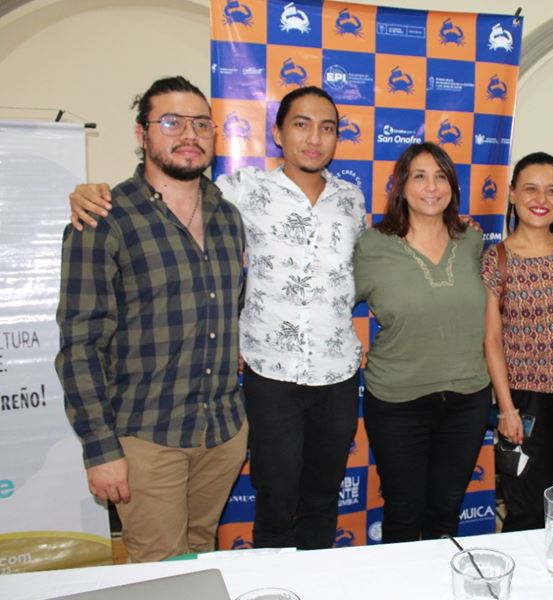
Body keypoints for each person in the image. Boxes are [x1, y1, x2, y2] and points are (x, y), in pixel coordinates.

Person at [68, 86, 367, 550]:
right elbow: (81, 339)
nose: (314, 138)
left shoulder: (349, 200)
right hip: (259, 381)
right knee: (268, 506)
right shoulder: (239, 192)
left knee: (314, 502)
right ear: (277, 134)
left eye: (327, 127)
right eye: (301, 124)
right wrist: (87, 191)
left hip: (324, 378)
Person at [56, 76, 248, 562]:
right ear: (142, 136)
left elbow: (231, 309)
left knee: (198, 555)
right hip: (147, 436)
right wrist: (101, 450)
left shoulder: (229, 217)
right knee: (157, 570)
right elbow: (79, 345)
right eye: (171, 122)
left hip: (221, 432)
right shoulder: (103, 217)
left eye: (201, 123)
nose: (189, 133)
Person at [353, 142, 491, 543]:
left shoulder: (471, 242)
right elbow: (330, 305)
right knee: (403, 512)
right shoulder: (372, 245)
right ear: (400, 185)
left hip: (467, 399)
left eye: (441, 176)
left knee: (446, 513)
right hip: (398, 403)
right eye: (419, 176)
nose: (431, 186)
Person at [481, 152, 553, 531]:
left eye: (552, 190)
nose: (541, 198)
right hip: (525, 403)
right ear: (512, 194)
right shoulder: (496, 259)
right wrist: (506, 408)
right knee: (525, 507)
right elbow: (492, 340)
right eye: (530, 188)